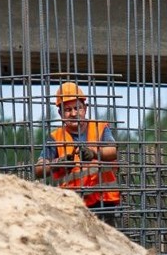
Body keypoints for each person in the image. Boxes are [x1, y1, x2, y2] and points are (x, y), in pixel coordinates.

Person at [34, 81, 121, 226]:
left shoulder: (99, 127)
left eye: (77, 108)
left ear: (85, 108)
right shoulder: (55, 137)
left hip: (103, 201)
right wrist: (57, 163)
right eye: (68, 110)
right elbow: (38, 169)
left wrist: (94, 153)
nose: (73, 113)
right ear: (61, 113)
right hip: (72, 204)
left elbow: (113, 151)